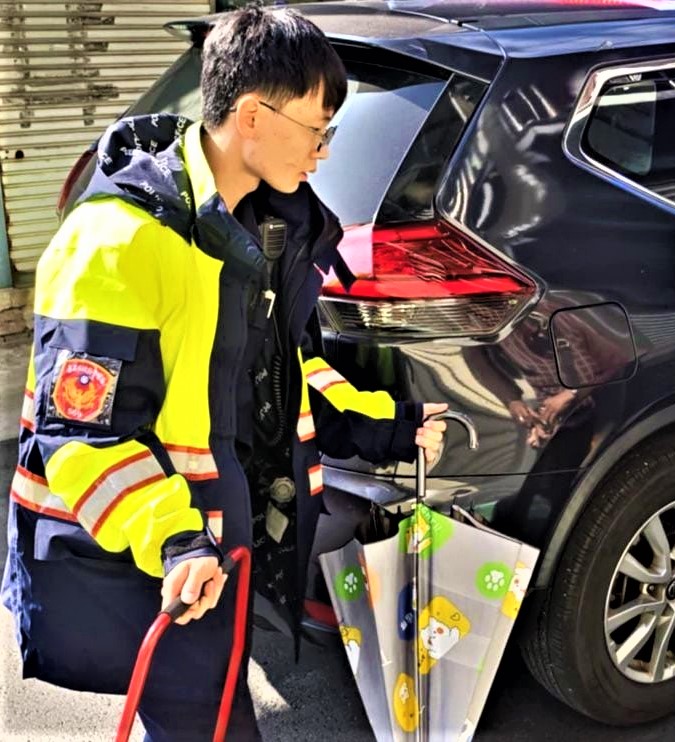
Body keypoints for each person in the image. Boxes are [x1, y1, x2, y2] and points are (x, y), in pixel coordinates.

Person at [2, 7, 447, 740]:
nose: (324, 153)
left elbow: (282, 377)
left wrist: (389, 428)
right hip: (157, 572)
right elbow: (80, 437)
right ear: (252, 117)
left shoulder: (256, 228)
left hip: (216, 560)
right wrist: (175, 540)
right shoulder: (117, 242)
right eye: (318, 130)